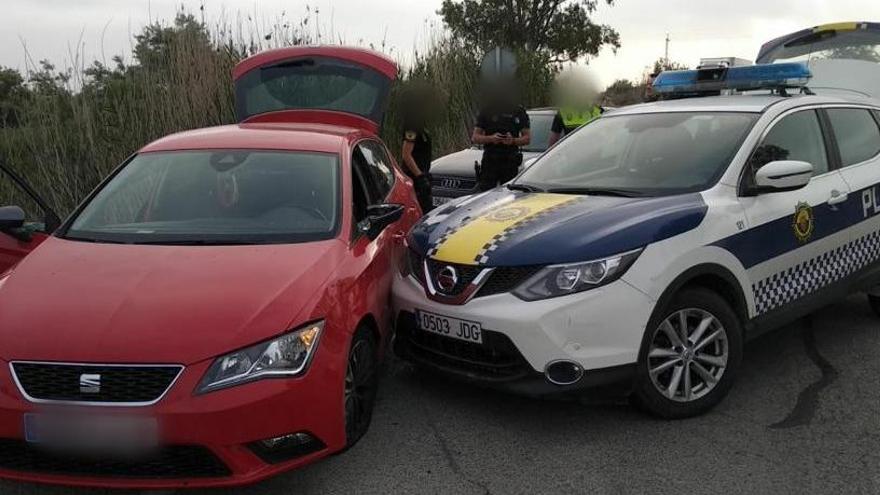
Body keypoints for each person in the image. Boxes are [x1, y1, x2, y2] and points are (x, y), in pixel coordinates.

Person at [472, 82, 531, 191]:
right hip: (490, 160)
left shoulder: (518, 111)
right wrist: (491, 138)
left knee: (509, 195)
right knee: (485, 195)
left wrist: (512, 140)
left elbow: (527, 138)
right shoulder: (487, 110)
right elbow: (475, 137)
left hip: (510, 159)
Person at [400, 86, 434, 213]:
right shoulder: (412, 124)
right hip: (415, 178)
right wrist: (420, 177)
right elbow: (406, 154)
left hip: (422, 173)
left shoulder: (421, 123)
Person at [548, 68, 603, 146]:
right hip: (593, 155)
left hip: (573, 156)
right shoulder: (598, 111)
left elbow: (552, 142)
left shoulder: (563, 113)